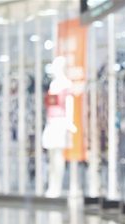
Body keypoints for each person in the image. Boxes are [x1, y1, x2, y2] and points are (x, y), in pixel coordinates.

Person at [42, 56, 76, 198]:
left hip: (61, 122)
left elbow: (69, 103)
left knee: (58, 156)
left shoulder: (66, 84)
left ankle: (57, 186)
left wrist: (69, 122)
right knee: (51, 155)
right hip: (51, 122)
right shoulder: (53, 84)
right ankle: (52, 185)